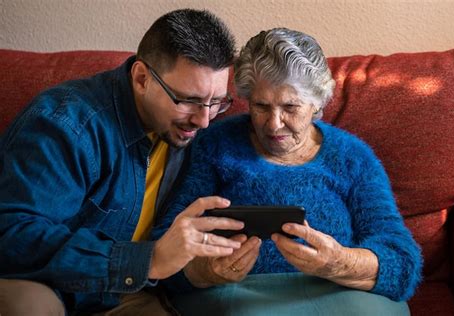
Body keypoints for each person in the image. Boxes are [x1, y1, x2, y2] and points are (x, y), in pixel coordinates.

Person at [156, 28, 423, 315]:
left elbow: (402, 261)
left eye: (290, 107)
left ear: (317, 103)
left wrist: (339, 262)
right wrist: (207, 271)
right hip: (238, 294)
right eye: (260, 106)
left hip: (338, 291)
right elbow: (165, 244)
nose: (273, 124)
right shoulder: (213, 145)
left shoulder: (352, 157)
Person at [0, 9, 246, 315]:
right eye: (188, 100)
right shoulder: (65, 125)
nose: (204, 120)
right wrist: (148, 260)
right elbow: (12, 236)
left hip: (121, 292)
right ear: (142, 78)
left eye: (217, 102)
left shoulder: (190, 134)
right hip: (45, 286)